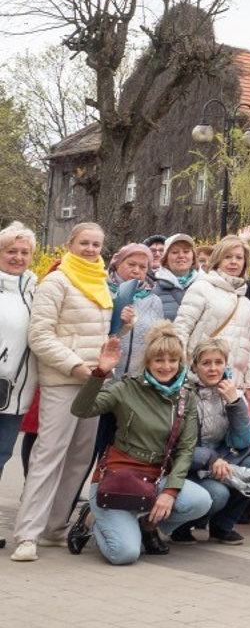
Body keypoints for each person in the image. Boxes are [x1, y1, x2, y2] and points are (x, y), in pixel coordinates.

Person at [60, 325, 209, 563]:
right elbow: (81, 409)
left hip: (155, 478)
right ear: (147, 361)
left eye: (173, 360)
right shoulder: (126, 388)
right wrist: (100, 373)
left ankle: (146, 523)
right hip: (119, 477)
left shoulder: (185, 396)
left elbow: (185, 449)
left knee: (200, 501)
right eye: (159, 359)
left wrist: (170, 492)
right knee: (125, 554)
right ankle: (92, 519)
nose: (166, 366)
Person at [9, 221, 112, 563]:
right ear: (70, 243)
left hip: (93, 382)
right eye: (84, 242)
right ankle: (27, 534)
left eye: (96, 244)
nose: (91, 249)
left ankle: (54, 528)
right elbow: (39, 335)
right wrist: (74, 365)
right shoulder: (57, 281)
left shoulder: (101, 281)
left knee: (80, 458)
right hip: (63, 381)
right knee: (48, 456)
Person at [171, 337, 250, 544]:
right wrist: (211, 460)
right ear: (195, 366)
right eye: (206, 363)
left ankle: (222, 527)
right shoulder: (183, 394)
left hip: (222, 460)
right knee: (218, 493)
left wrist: (235, 403)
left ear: (225, 364)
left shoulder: (233, 392)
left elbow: (245, 441)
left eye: (218, 362)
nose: (213, 369)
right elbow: (179, 447)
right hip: (191, 465)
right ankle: (180, 527)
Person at [173, 234, 250, 400]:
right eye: (228, 257)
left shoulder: (246, 304)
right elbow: (181, 330)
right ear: (218, 259)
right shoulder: (201, 288)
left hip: (233, 386)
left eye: (239, 257)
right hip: (197, 382)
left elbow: (248, 348)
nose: (234, 262)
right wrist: (180, 372)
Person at [117, 233, 201, 378]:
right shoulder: (154, 291)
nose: (136, 270)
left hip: (197, 366)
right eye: (174, 252)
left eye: (186, 252)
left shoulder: (205, 286)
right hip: (111, 374)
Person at [0, 224, 38, 492]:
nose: (18, 257)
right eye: (11, 251)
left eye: (25, 252)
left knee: (2, 456)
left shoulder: (35, 289)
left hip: (18, 392)